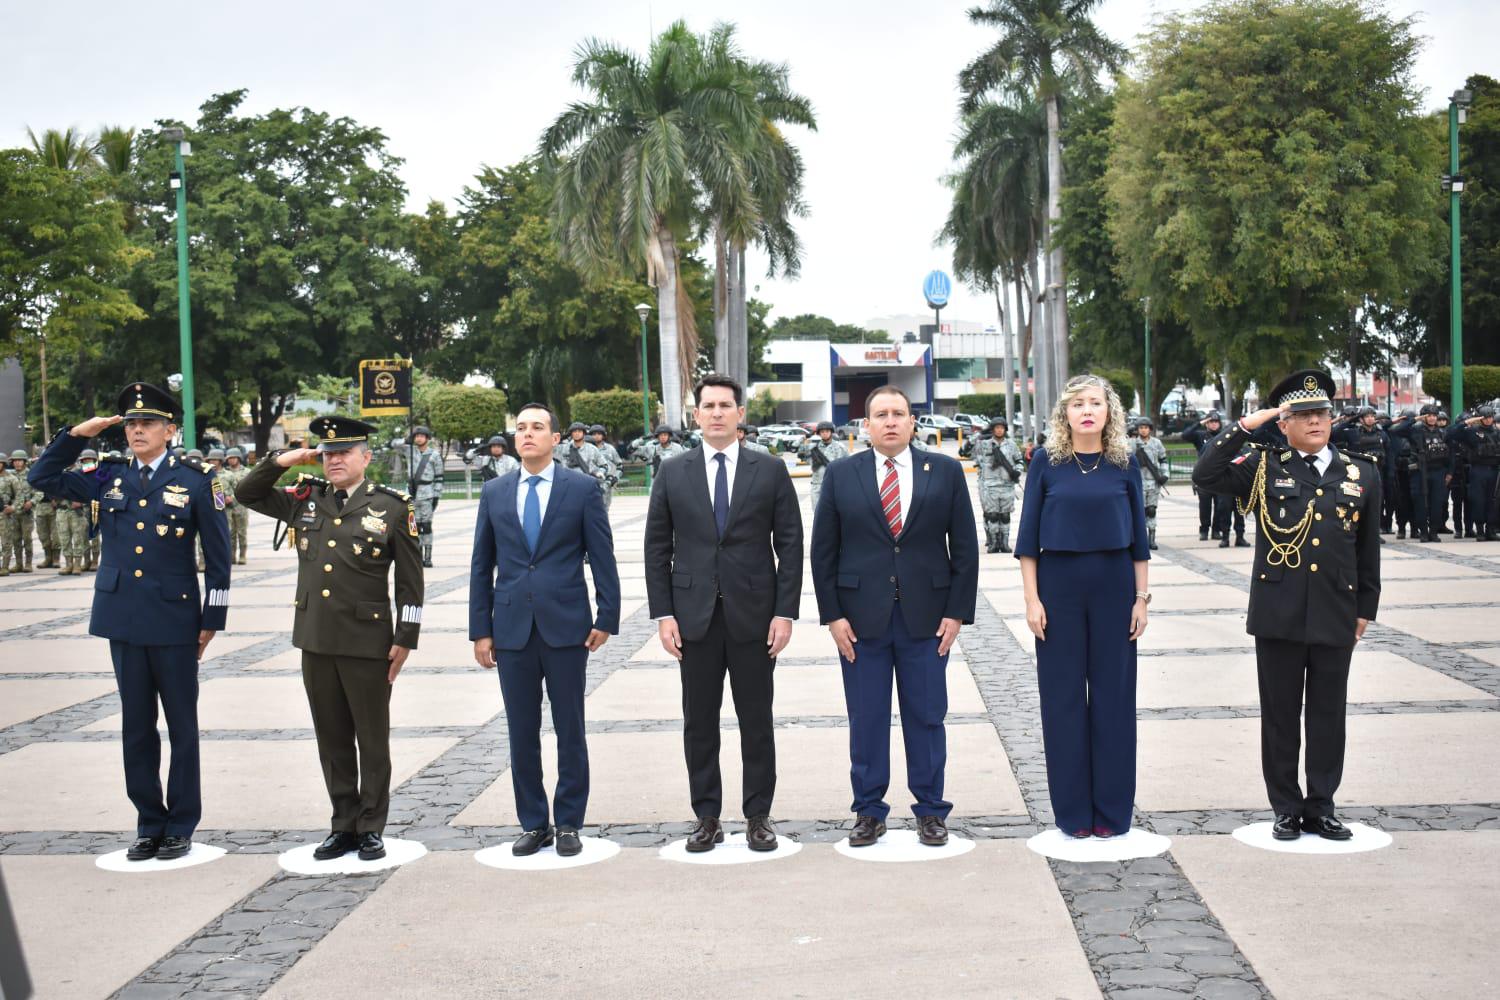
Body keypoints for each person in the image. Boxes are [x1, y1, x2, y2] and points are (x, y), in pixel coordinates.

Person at [28, 382, 231, 861]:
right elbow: (43, 476)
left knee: (182, 727)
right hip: (123, 618)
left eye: (149, 424)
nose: (138, 431)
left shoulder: (198, 480)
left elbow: (218, 559)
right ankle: (148, 823)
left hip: (176, 619)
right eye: (132, 424)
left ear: (169, 430)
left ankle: (180, 823)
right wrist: (77, 434)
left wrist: (212, 617)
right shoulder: (107, 478)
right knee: (136, 727)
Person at [1193, 369, 1380, 841]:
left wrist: (1366, 609)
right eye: (1303, 415)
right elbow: (1205, 474)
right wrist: (1246, 424)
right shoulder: (1264, 466)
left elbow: (1367, 549)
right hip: (1279, 610)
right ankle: (1286, 806)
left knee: (1327, 712)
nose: (1316, 421)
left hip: (1337, 609)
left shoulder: (1361, 471)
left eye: (1322, 413)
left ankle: (1322, 805)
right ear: (1285, 423)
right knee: (1279, 714)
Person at [236, 415, 424, 862]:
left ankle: (371, 825)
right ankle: (343, 823)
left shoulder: (393, 507)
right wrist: (287, 459)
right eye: (327, 453)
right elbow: (246, 493)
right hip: (316, 637)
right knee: (332, 737)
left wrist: (406, 637)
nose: (333, 460)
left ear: (366, 457)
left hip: (367, 640)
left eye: (343, 452)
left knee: (371, 738)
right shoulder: (306, 499)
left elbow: (411, 583)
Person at [811, 385, 978, 848]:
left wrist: (957, 613)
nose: (890, 421)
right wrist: (833, 616)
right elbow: (823, 552)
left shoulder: (944, 471)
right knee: (866, 719)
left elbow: (964, 547)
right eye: (880, 414)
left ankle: (930, 810)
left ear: (912, 422)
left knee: (926, 717)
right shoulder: (842, 475)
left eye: (898, 414)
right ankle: (868, 811)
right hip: (860, 622)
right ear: (866, 425)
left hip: (928, 620)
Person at [645, 374, 803, 853]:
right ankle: (707, 816)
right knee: (699, 721)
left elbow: (791, 546)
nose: (716, 412)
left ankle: (758, 816)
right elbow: (657, 548)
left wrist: (785, 613)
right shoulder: (672, 472)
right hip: (693, 620)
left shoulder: (769, 469)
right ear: (696, 416)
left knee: (757, 720)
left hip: (755, 618)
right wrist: (664, 614)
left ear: (740, 415)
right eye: (708, 405)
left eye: (725, 405)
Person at [470, 403, 620, 857]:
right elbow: (482, 565)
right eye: (521, 428)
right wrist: (481, 629)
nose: (528, 434)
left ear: (555, 438)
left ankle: (570, 821)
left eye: (537, 427)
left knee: (570, 726)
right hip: (511, 628)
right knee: (521, 730)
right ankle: (534, 822)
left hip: (567, 627)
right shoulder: (494, 492)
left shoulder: (581, 489)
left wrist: (607, 616)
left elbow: (602, 555)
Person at [1015, 375, 1151, 839]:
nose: (1087, 410)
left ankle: (1112, 813)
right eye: (1078, 404)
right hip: (1058, 590)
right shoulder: (1045, 464)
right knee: (1064, 702)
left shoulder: (1124, 464)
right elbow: (1028, 540)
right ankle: (1072, 814)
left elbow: (1139, 541)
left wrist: (1141, 599)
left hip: (1114, 588)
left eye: (1096, 403)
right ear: (1065, 414)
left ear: (1109, 413)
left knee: (1114, 701)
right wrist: (1032, 600)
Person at [1389, 404, 1451, 542]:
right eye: (1428, 415)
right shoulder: (1415, 430)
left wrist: (1450, 472)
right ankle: (1423, 531)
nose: (1432, 418)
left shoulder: (1442, 432)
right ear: (1423, 417)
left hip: (1438, 471)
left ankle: (1433, 532)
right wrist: (1414, 419)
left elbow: (1450, 453)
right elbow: (1394, 431)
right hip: (1419, 471)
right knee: (1420, 503)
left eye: (1434, 415)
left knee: (1437, 503)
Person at [973, 417, 1023, 553]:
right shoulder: (984, 445)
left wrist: (1017, 472)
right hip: (990, 486)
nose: (999, 430)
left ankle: (1005, 543)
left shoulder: (1011, 445)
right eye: (996, 428)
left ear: (1005, 429)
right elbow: (974, 456)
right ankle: (994, 543)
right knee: (993, 515)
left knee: (1005, 516)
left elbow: (1019, 460)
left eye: (1001, 428)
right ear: (993, 429)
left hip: (1007, 485)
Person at [1448, 407, 1500, 540]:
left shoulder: (1496, 432)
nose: (1488, 420)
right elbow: (1450, 434)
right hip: (1478, 470)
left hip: (1493, 470)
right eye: (1485, 417)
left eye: (1490, 417)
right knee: (1478, 501)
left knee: (1492, 501)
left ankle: (1490, 530)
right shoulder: (1472, 432)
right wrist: (1466, 423)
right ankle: (1480, 530)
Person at [405, 426, 442, 567]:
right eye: (416, 436)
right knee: (415, 527)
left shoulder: (434, 455)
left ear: (427, 438)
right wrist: (407, 439)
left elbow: (439, 477)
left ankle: (428, 557)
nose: (418, 438)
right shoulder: (409, 451)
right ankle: (417, 556)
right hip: (412, 494)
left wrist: (437, 496)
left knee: (426, 526)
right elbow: (393, 445)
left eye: (422, 436)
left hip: (427, 494)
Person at [1132, 418, 1170, 552]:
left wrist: (1165, 474)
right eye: (1141, 427)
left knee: (1151, 510)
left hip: (1153, 482)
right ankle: (1141, 539)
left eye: (1146, 427)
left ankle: (1152, 539)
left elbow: (1163, 459)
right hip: (1138, 482)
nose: (1143, 430)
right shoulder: (1132, 443)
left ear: (1150, 429)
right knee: (1140, 512)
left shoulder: (1157, 443)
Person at [798, 421, 848, 509]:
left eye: (827, 431)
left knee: (836, 513)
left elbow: (848, 466)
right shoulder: (813, 447)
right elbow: (798, 452)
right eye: (822, 432)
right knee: (817, 513)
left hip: (834, 485)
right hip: (817, 485)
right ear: (819, 433)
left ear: (831, 432)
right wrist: (805, 439)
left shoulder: (840, 447)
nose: (824, 433)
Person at [216, 448, 251, 565]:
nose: (231, 460)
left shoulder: (246, 472)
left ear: (239, 458)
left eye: (233, 458)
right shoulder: (225, 473)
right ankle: (231, 556)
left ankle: (242, 555)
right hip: (228, 507)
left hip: (241, 506)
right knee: (230, 533)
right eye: (229, 458)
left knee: (241, 532)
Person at [3, 450, 37, 572]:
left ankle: (28, 563)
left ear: (25, 462)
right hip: (13, 513)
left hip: (26, 512)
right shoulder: (9, 476)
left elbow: (39, 492)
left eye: (20, 460)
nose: (17, 463)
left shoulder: (31, 475)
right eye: (15, 461)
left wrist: (31, 502)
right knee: (15, 539)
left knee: (27, 538)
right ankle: (18, 563)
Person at [555, 421, 606, 488]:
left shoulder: (592, 449)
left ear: (584, 433)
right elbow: (547, 448)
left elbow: (604, 465)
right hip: (568, 484)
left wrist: (600, 472)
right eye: (574, 431)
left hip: (588, 483)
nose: (577, 433)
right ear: (571, 434)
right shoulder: (563, 448)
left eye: (579, 431)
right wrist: (563, 437)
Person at [589, 425, 623, 510]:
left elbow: (620, 465)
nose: (596, 436)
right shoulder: (587, 448)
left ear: (603, 435)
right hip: (589, 482)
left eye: (599, 434)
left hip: (605, 484)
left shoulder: (610, 449)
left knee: (604, 509)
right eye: (594, 434)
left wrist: (615, 478)